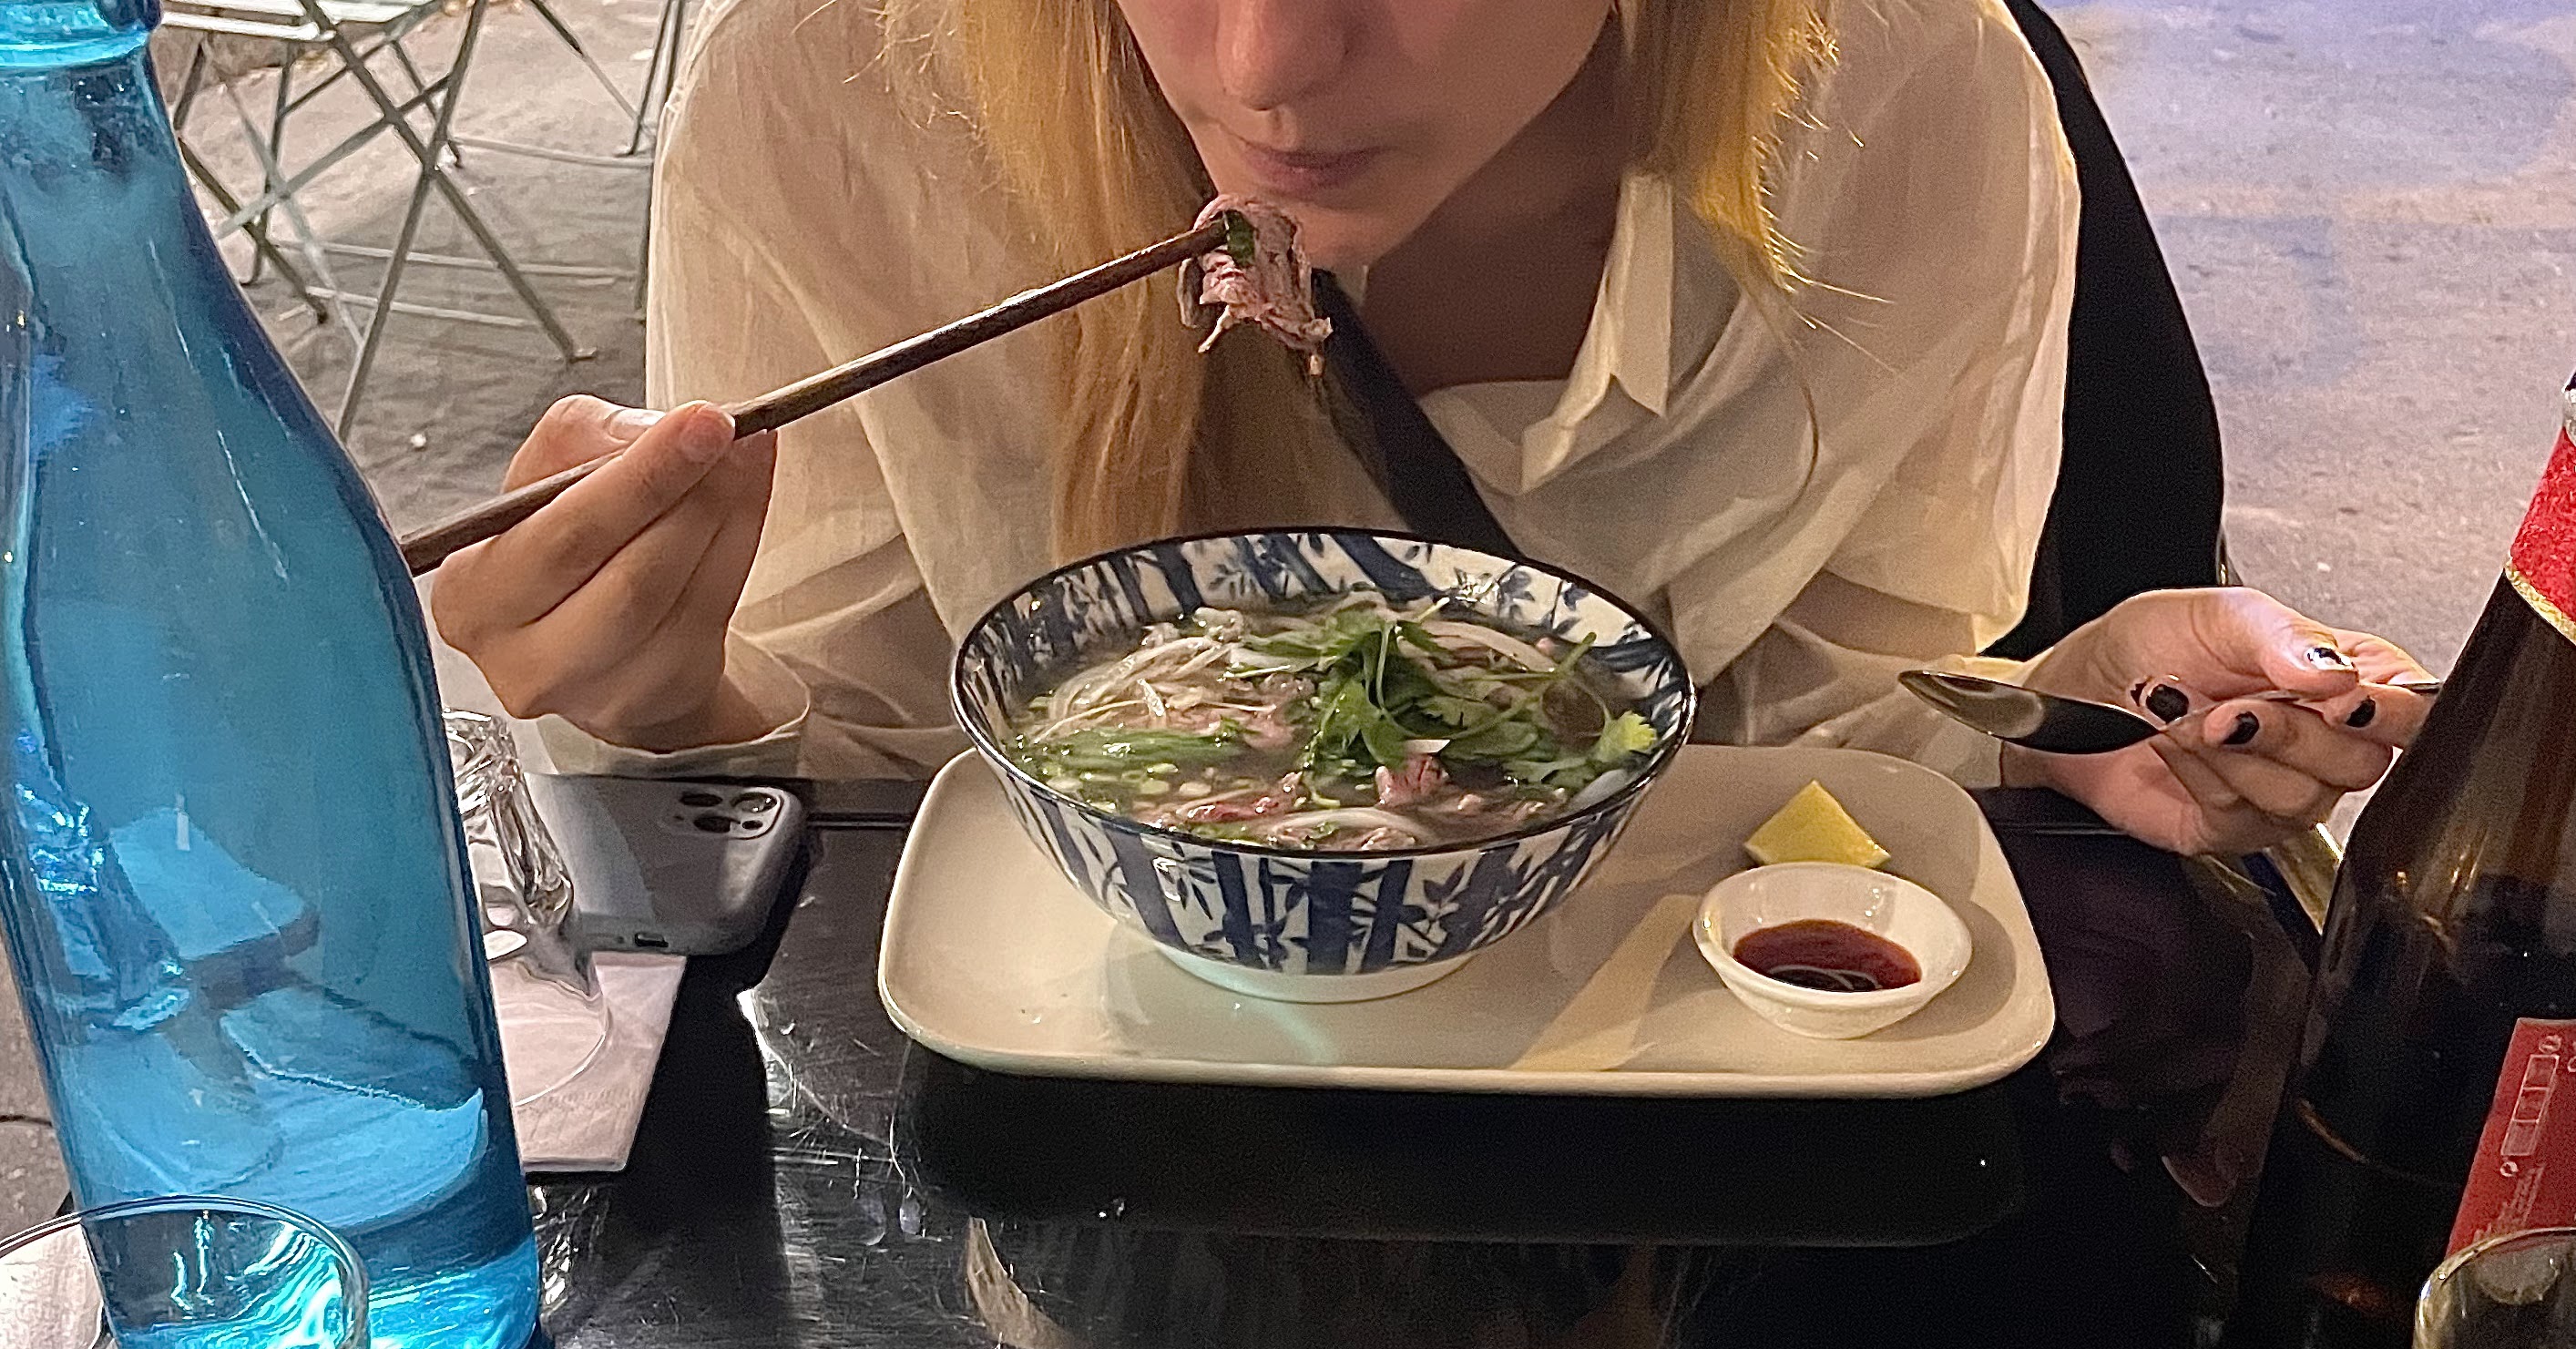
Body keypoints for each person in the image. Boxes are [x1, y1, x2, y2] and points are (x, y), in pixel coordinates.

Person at [432, 0, 2428, 858]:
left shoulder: (1907, 104)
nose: (1266, 66)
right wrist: (670, 702)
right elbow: (879, 799)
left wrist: (2053, 710)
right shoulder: (840, 95)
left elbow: (1821, 766)